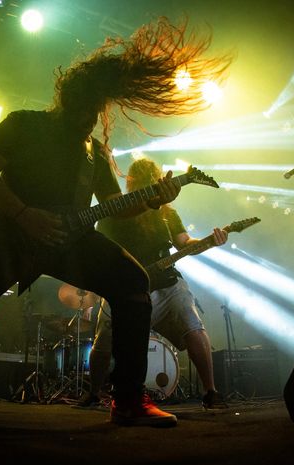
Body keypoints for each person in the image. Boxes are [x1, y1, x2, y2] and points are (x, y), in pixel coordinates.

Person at [0, 16, 234, 427]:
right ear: (68, 100)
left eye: (96, 111)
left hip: (70, 241)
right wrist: (24, 214)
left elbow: (113, 204)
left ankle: (128, 399)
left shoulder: (95, 152)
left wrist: (153, 201)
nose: (91, 119)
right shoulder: (23, 124)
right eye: (86, 109)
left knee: (132, 282)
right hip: (11, 237)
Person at [76, 158, 229, 410]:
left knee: (193, 324)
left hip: (167, 283)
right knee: (104, 340)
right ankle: (93, 392)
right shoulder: (117, 211)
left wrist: (209, 241)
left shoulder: (167, 213)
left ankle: (211, 391)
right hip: (126, 287)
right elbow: (101, 253)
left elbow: (184, 242)